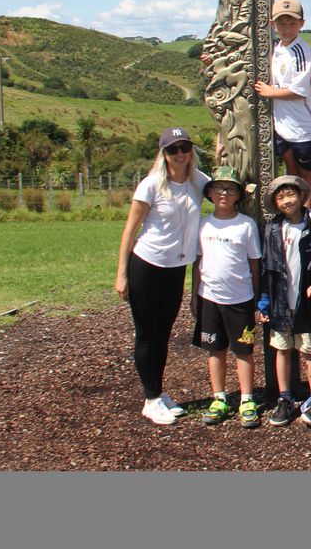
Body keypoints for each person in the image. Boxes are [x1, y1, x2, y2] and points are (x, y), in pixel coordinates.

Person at [116, 127, 210, 425]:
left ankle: (158, 392)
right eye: (173, 149)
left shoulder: (197, 180)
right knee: (147, 333)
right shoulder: (151, 185)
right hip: (147, 264)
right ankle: (151, 398)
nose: (180, 154)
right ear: (164, 154)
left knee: (164, 332)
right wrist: (121, 274)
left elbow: (225, 187)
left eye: (184, 147)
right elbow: (130, 231)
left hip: (176, 269)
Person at [191, 165, 263, 428]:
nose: (224, 193)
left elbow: (254, 262)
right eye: (219, 188)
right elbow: (197, 262)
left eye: (230, 189)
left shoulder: (246, 225)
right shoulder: (202, 224)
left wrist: (255, 296)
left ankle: (246, 399)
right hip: (209, 297)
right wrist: (194, 295)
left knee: (243, 350)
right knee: (215, 349)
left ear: (238, 195)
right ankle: (219, 397)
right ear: (210, 193)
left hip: (240, 299)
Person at [257, 175, 311, 428]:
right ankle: (285, 398)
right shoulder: (272, 229)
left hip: (307, 302)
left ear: (301, 196)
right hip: (280, 300)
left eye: (290, 194)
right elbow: (266, 266)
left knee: (310, 350)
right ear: (275, 204)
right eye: (280, 197)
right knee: (282, 349)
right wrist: (264, 299)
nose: (286, 200)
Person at [254, 0, 311, 210]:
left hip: (304, 126)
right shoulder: (274, 48)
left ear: (301, 24)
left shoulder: (301, 51)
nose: (287, 29)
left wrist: (270, 93)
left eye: (292, 23)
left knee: (307, 172)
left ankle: (309, 213)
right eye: (281, 23)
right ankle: (294, 211)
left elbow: (298, 91)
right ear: (272, 24)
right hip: (282, 124)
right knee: (291, 170)